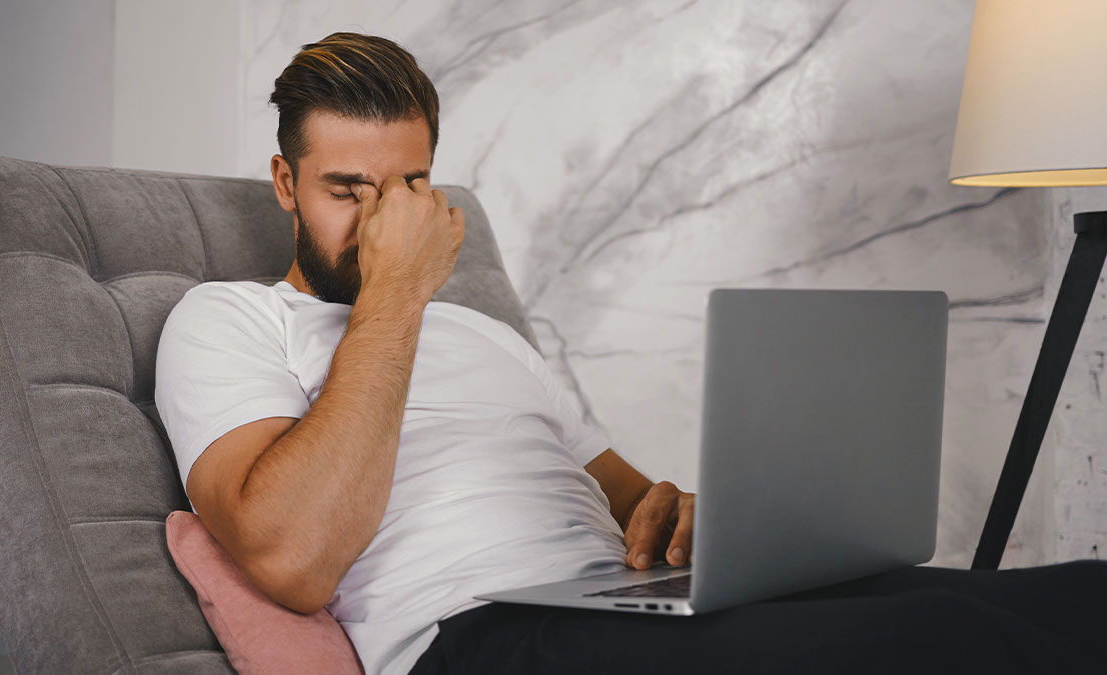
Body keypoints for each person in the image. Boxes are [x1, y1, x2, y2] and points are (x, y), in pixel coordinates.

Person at [154, 32, 1107, 675]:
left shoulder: (484, 336)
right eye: (348, 188)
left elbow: (633, 502)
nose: (384, 220)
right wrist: (398, 291)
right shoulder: (226, 323)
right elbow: (292, 560)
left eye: (409, 185)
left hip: (616, 605)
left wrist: (684, 517)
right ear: (285, 182)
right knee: (933, 636)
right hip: (477, 638)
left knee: (1076, 599)